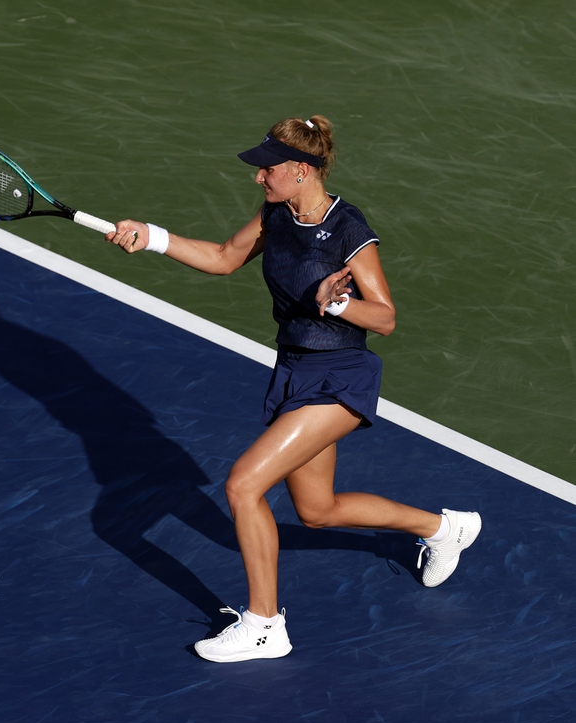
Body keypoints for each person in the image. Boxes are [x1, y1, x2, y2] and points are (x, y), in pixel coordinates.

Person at [105, 116, 481, 663]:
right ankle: (444, 528)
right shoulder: (276, 216)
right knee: (318, 509)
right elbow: (222, 257)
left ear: (301, 170)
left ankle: (264, 624)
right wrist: (153, 237)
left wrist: (337, 303)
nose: (259, 178)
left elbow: (386, 318)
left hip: (341, 374)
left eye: (268, 169)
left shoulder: (347, 227)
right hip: (296, 371)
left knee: (243, 486)